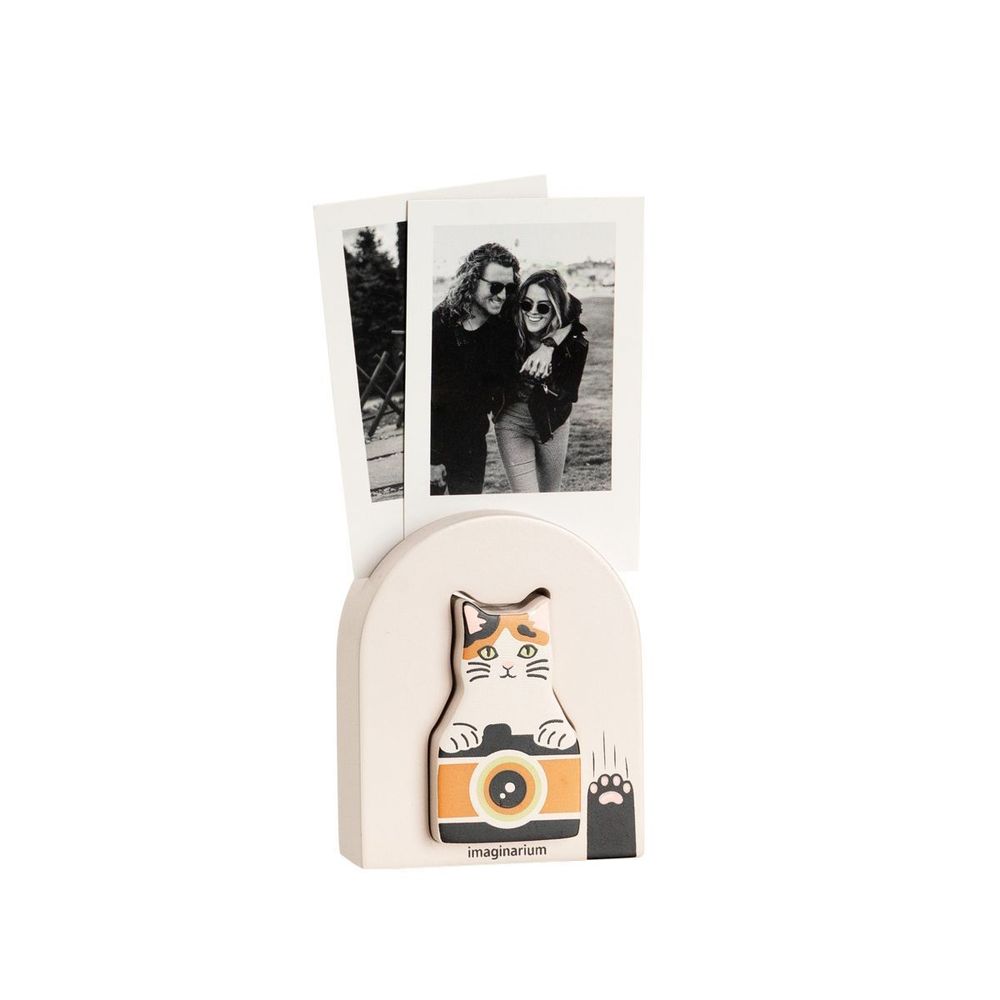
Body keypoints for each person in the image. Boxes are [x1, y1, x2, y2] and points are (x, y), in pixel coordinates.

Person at [429, 245, 568, 495]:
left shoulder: (506, 318)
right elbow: (424, 398)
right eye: (495, 287)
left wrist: (548, 347)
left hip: (472, 444)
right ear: (472, 280)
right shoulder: (439, 325)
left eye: (509, 288)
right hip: (434, 441)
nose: (503, 296)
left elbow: (571, 310)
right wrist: (432, 458)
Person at [493, 270, 589, 493]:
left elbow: (569, 394)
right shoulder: (507, 327)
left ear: (555, 310)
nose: (533, 312)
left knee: (549, 496)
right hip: (511, 423)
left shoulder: (574, 345)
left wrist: (548, 350)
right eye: (526, 304)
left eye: (543, 307)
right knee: (526, 497)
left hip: (553, 423)